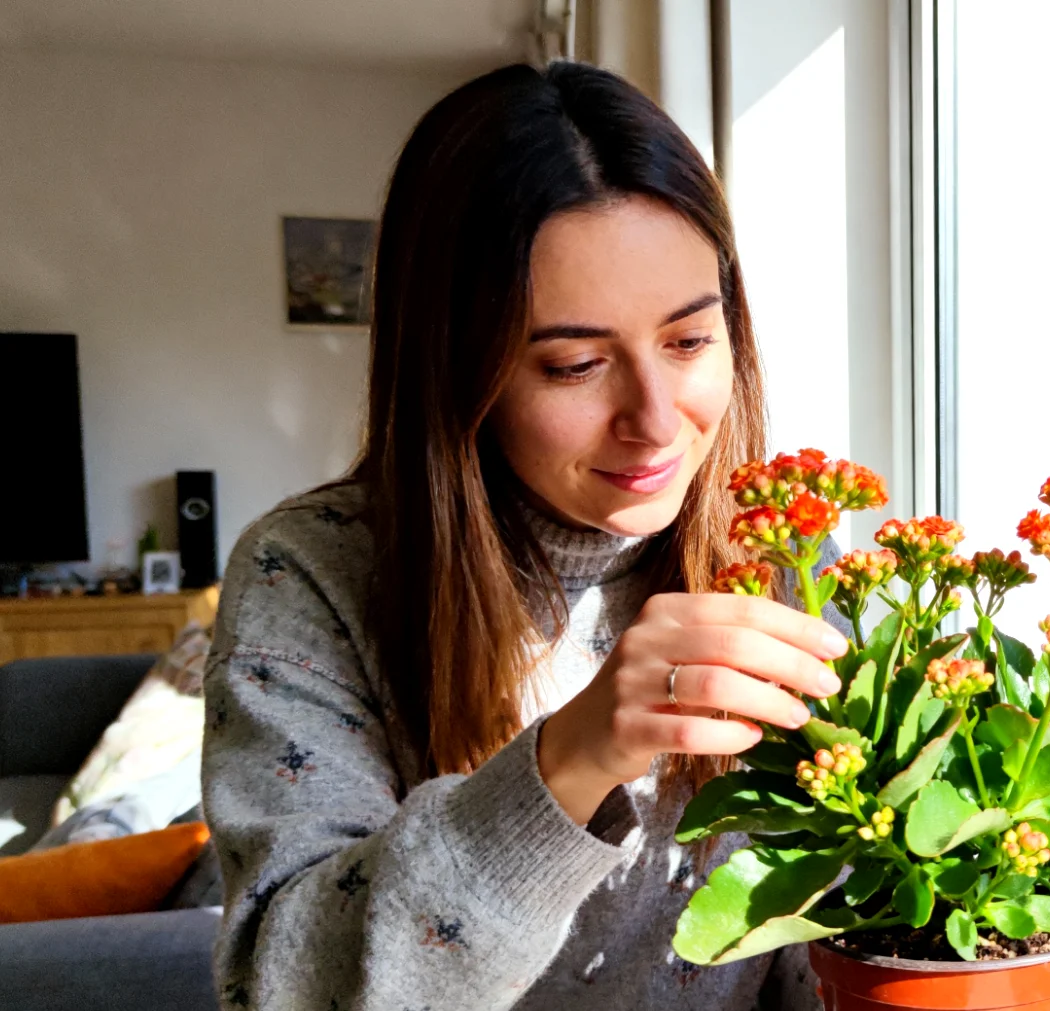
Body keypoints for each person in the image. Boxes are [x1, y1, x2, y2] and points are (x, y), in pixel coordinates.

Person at [201, 63, 851, 1010]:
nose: (656, 421)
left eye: (688, 341)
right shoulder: (311, 576)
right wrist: (571, 758)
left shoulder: (783, 554)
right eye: (576, 364)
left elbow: (830, 939)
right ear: (460, 370)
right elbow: (286, 989)